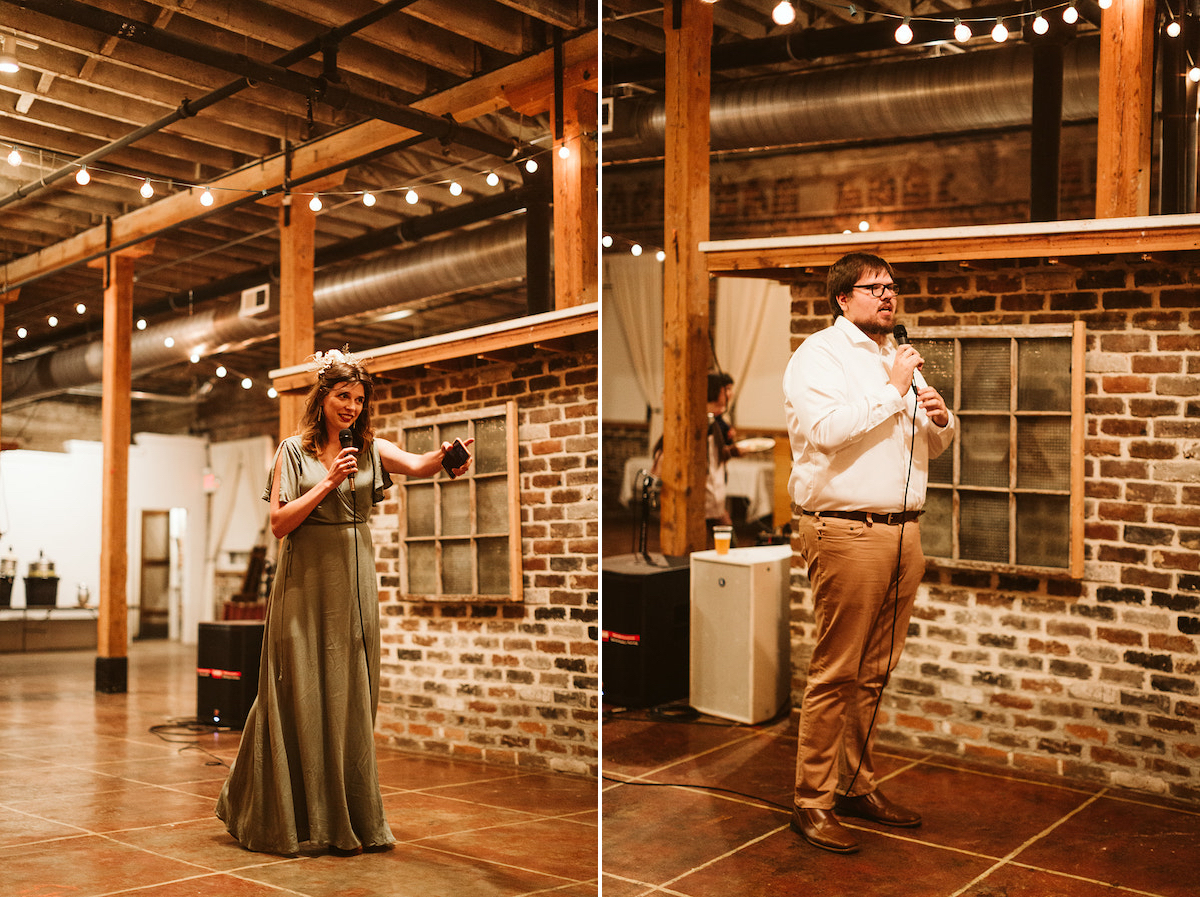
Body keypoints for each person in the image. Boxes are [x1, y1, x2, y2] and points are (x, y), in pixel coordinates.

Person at [216, 347, 472, 856]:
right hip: (303, 584)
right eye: (342, 396)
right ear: (322, 397)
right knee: (296, 691)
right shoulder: (292, 451)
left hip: (353, 585)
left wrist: (446, 457)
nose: (351, 406)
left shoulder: (371, 449)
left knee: (350, 692)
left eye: (358, 398)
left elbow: (419, 465)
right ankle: (277, 811)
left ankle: (347, 815)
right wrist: (331, 482)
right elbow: (281, 524)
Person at [782, 252, 955, 854]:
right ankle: (813, 799)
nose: (887, 296)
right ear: (842, 299)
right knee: (837, 671)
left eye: (892, 286)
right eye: (873, 287)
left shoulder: (896, 354)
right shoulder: (818, 357)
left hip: (905, 529)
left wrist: (940, 417)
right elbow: (828, 431)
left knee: (875, 672)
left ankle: (856, 784)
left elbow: (928, 442)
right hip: (847, 530)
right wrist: (894, 389)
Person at [705, 371, 739, 544]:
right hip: (706, 488)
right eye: (726, 389)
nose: (729, 394)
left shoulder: (718, 419)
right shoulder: (706, 420)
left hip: (714, 487)